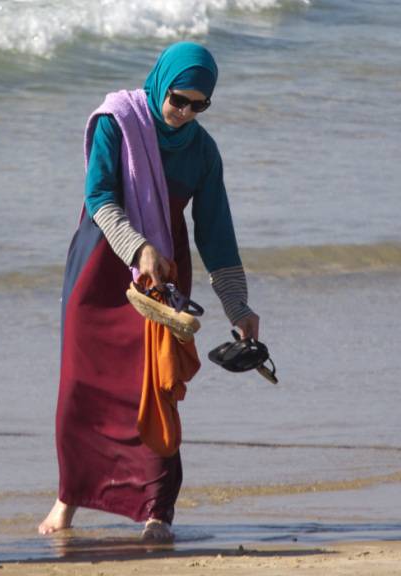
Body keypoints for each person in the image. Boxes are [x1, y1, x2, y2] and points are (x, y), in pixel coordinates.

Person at [38, 42, 261, 540]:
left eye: (198, 105)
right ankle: (69, 497)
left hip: (162, 273)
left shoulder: (202, 151)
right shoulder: (118, 121)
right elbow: (98, 196)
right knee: (81, 387)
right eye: (179, 100)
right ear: (161, 82)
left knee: (156, 388)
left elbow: (216, 234)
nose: (184, 113)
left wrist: (238, 305)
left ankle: (157, 509)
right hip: (103, 261)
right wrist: (136, 250)